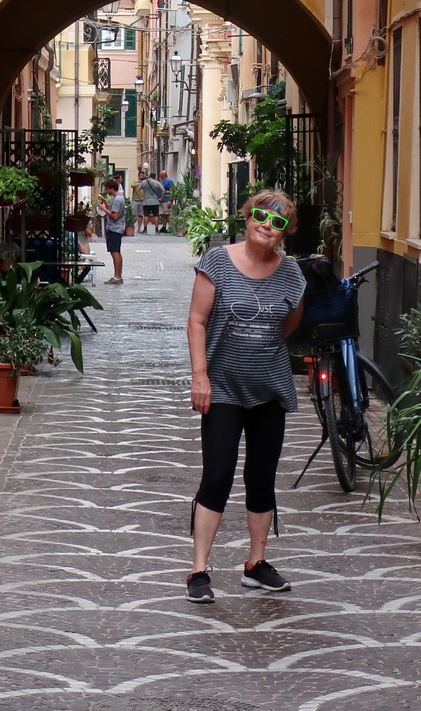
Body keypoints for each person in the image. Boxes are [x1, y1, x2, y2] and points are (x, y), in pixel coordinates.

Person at [185, 189, 305, 603]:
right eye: (259, 216)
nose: (265, 226)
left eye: (277, 223)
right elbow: (197, 321)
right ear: (246, 216)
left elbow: (288, 325)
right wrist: (201, 376)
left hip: (269, 388)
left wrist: (261, 353)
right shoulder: (218, 261)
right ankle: (199, 569)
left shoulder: (291, 274)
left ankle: (256, 564)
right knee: (217, 475)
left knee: (262, 476)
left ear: (284, 233)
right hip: (222, 388)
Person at [97, 176, 125, 284]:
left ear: (111, 188)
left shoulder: (117, 199)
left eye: (107, 189)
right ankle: (118, 275)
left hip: (115, 228)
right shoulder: (118, 197)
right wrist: (105, 202)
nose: (106, 191)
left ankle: (117, 276)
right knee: (116, 252)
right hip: (116, 228)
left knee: (115, 252)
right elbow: (112, 210)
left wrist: (104, 209)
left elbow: (114, 216)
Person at [140, 167, 164, 232]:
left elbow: (137, 190)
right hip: (155, 202)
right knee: (156, 215)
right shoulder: (157, 183)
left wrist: (140, 198)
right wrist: (161, 198)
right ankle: (156, 229)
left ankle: (145, 229)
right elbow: (163, 190)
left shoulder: (144, 182)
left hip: (146, 202)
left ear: (149, 176)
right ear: (154, 177)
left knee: (146, 215)